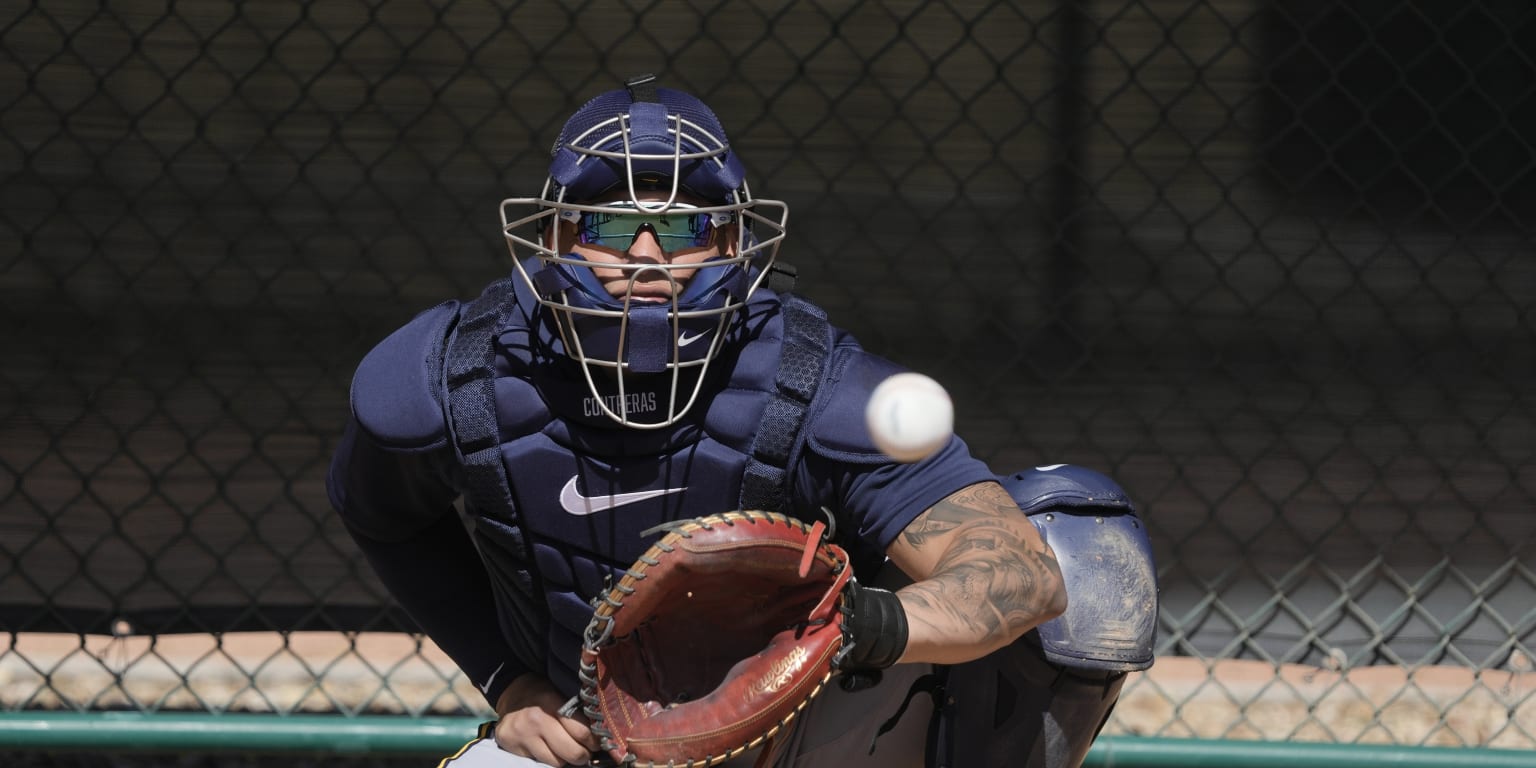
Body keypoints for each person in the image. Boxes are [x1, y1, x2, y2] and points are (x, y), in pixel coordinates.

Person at [327, 74, 1156, 768]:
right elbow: (384, 519)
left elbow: (1023, 575)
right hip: (579, 739)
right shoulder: (450, 377)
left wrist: (862, 625)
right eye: (610, 226)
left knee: (1087, 556)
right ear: (554, 238)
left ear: (732, 241)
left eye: (686, 228)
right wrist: (509, 681)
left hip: (793, 732)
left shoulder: (810, 381)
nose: (647, 256)